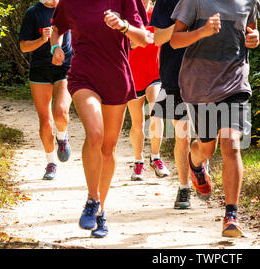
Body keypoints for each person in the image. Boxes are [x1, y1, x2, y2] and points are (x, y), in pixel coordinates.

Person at [50, 0, 150, 238]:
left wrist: (123, 26)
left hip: (116, 76)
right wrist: (55, 47)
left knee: (108, 148)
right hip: (83, 74)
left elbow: (143, 39)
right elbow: (56, 29)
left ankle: (100, 211)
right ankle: (92, 199)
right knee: (95, 134)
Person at [170, 0, 260, 237]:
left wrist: (255, 38)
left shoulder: (249, 1)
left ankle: (232, 215)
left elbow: (251, 30)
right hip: (201, 86)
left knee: (231, 143)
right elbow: (175, 39)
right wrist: (202, 31)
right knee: (207, 150)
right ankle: (196, 160)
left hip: (235, 82)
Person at [19, 0, 73, 180]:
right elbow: (24, 46)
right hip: (40, 69)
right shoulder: (33, 12)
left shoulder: (69, 8)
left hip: (65, 66)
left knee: (60, 113)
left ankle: (62, 137)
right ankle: (51, 162)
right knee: (45, 121)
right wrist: (42, 40)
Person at [150, 0, 195, 209]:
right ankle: (185, 188)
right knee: (183, 136)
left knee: (206, 138)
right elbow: (157, 38)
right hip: (175, 76)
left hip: (208, 75)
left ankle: (199, 165)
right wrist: (182, 26)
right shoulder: (166, 2)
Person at [127, 0, 170, 181]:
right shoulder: (128, 17)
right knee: (137, 122)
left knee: (156, 111)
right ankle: (138, 162)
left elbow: (168, 37)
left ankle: (156, 158)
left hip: (154, 73)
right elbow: (125, 45)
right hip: (132, 75)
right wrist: (137, 41)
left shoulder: (158, 14)